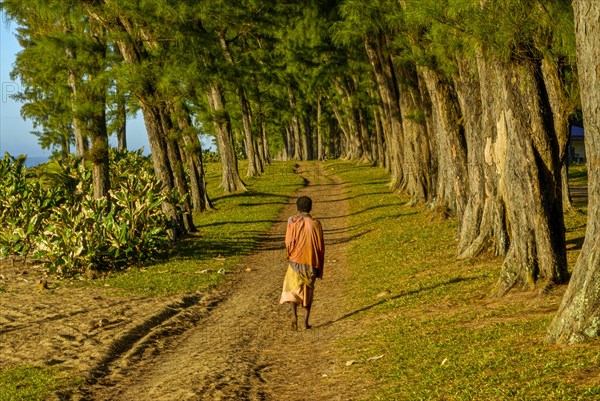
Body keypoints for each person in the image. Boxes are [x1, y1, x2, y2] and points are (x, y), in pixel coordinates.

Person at [280, 196, 325, 330]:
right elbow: (320, 246)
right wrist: (319, 266)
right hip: (310, 261)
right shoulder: (316, 224)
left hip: (295, 261)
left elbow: (288, 242)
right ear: (310, 207)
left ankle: (294, 315)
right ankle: (305, 322)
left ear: (297, 207)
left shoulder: (292, 221)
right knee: (308, 291)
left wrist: (289, 255)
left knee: (291, 289)